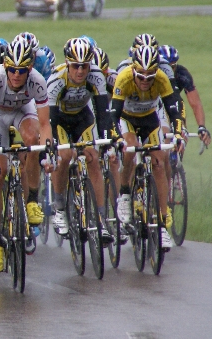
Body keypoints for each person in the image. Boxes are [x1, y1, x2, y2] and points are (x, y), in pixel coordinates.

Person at [0, 35, 52, 273]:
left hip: (23, 111)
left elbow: (44, 125)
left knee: (33, 142)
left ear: (30, 68)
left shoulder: (37, 81)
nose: (15, 75)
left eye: (21, 70)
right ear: (5, 65)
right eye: (11, 69)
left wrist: (47, 151)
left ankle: (32, 199)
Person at [46, 39, 119, 241]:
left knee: (93, 159)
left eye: (84, 66)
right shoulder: (56, 80)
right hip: (59, 119)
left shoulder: (96, 76)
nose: (80, 71)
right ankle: (60, 208)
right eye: (75, 66)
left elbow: (103, 112)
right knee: (65, 155)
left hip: (82, 118)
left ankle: (101, 220)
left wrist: (106, 142)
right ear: (67, 63)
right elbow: (49, 120)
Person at [112, 45, 183, 250]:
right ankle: (125, 195)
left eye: (149, 77)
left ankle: (161, 225)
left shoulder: (161, 79)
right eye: (140, 76)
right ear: (133, 70)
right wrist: (117, 139)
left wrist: (177, 133)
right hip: (127, 120)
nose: (145, 81)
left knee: (159, 162)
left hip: (149, 119)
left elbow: (173, 111)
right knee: (130, 149)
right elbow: (113, 115)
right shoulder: (124, 78)